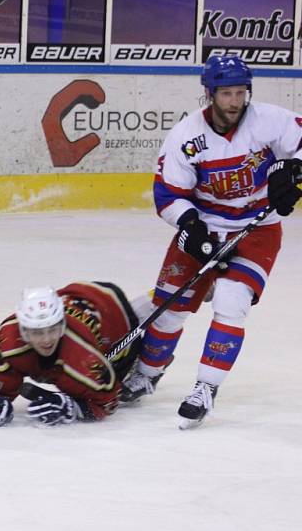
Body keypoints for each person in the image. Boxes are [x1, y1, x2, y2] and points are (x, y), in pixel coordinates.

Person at [120, 54, 302, 429]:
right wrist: (190, 225)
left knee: (231, 301)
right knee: (171, 306)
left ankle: (205, 387)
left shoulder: (270, 121)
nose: (236, 101)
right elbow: (168, 194)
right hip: (205, 225)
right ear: (209, 94)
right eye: (227, 94)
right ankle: (148, 373)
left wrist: (293, 170)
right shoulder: (187, 137)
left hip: (257, 228)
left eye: (241, 92)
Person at [0, 282, 147, 427]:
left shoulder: (83, 359)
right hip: (77, 295)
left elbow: (109, 402)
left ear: (62, 325)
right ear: (23, 331)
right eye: (37, 332)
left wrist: (74, 407)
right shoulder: (8, 340)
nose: (46, 340)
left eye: (52, 329)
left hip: (112, 312)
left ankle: (151, 372)